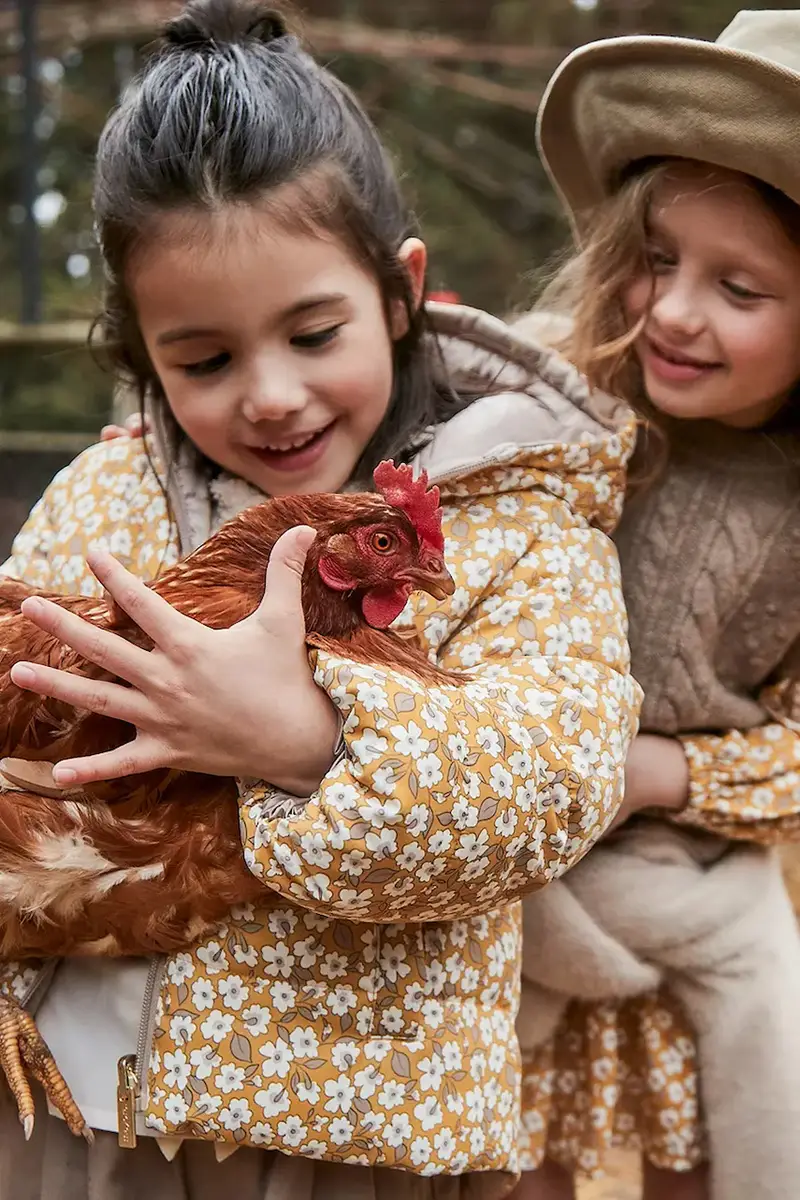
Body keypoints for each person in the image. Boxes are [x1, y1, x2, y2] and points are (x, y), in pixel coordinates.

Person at [0, 2, 641, 1196]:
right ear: (141, 353)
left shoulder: (520, 520)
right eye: (203, 360)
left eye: (311, 331)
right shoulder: (107, 494)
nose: (271, 396)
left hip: (356, 1132)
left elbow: (554, 782)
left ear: (399, 292)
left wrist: (307, 740)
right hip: (77, 1112)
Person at [510, 11, 800, 1200]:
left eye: (739, 287)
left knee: (709, 1120)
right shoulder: (544, 390)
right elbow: (371, 439)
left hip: (680, 861)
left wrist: (658, 775)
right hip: (508, 855)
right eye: (655, 258)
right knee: (508, 1149)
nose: (675, 313)